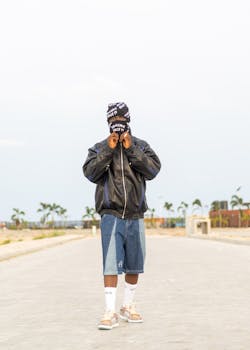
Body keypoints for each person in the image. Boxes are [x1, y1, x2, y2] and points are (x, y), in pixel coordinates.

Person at [82, 102, 161, 330]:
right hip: (111, 214)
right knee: (110, 264)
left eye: (121, 122)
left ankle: (128, 306)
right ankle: (109, 311)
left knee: (134, 264)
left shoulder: (140, 146)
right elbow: (90, 173)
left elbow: (153, 170)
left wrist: (130, 149)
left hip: (136, 213)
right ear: (108, 123)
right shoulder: (98, 148)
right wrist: (109, 148)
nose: (117, 127)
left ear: (128, 121)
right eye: (113, 123)